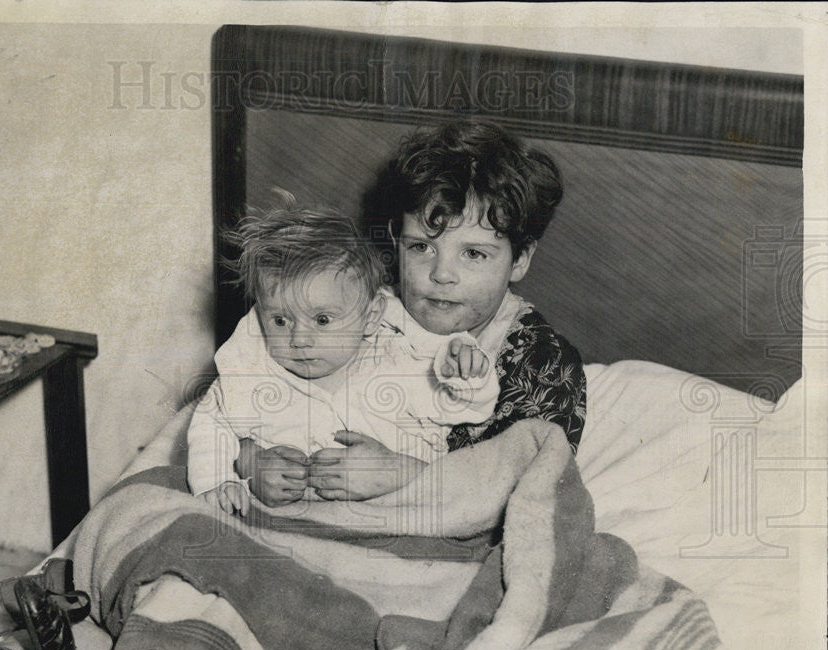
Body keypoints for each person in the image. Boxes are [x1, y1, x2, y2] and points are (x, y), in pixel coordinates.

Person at [236, 119, 586, 505]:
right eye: (421, 247)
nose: (441, 274)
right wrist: (250, 459)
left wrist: (399, 475)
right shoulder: (346, 305)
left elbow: (535, 495)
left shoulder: (544, 362)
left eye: (473, 254)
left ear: (520, 259)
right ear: (395, 241)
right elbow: (231, 396)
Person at [188, 207, 503, 515]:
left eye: (322, 320)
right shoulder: (254, 370)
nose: (299, 339)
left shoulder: (403, 359)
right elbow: (211, 422)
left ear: (371, 316)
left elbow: (472, 406)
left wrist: (468, 372)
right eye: (281, 320)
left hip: (399, 521)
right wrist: (223, 478)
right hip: (293, 526)